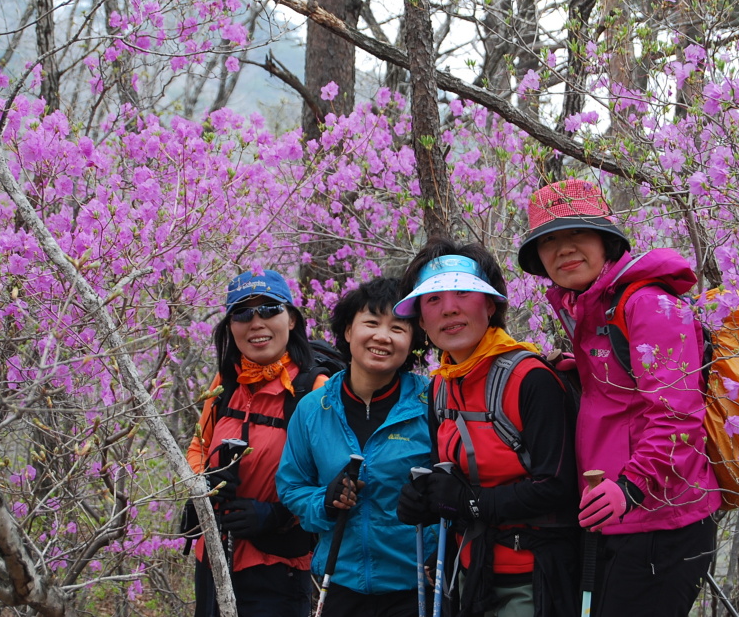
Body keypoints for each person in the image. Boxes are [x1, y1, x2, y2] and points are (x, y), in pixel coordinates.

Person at [516, 178, 721, 616]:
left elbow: (677, 417)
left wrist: (629, 488)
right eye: (549, 241)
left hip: (661, 519)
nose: (564, 249)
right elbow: (628, 390)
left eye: (577, 234)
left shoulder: (648, 304)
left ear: (606, 240)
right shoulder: (595, 307)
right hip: (619, 517)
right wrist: (581, 371)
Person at [393, 239, 580, 617]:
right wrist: (425, 501)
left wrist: (468, 503)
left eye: (464, 292)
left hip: (534, 576)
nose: (449, 308)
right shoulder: (441, 386)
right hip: (470, 572)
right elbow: (451, 475)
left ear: (491, 304)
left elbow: (559, 486)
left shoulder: (531, 379)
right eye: (432, 299)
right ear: (421, 319)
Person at [276, 277, 435, 617]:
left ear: (412, 341)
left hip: (418, 587)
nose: (382, 336)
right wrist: (325, 501)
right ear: (348, 332)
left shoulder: (432, 403)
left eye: (398, 327)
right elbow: (291, 486)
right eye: (372, 323)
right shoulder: (313, 409)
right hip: (341, 586)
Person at [185, 269, 326, 617]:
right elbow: (197, 447)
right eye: (243, 313)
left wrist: (279, 514)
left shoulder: (315, 390)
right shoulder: (226, 382)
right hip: (213, 558)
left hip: (277, 566)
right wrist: (204, 481)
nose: (256, 322)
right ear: (231, 326)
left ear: (291, 319)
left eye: (269, 309)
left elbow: (334, 483)